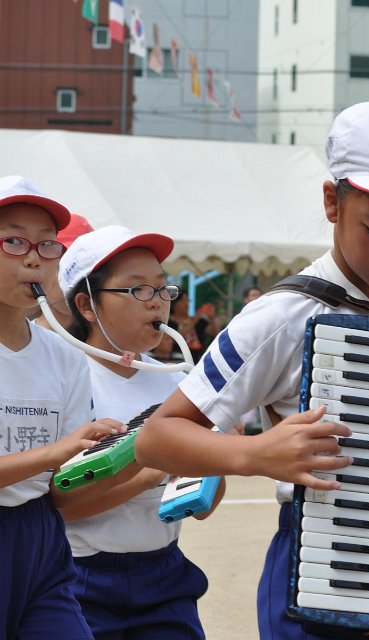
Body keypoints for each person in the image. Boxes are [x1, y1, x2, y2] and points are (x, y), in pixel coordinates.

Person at [134, 96, 369, 640]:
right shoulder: (281, 316)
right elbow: (157, 438)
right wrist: (254, 455)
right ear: (332, 203)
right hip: (320, 573)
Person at [57, 225, 222, 639]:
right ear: (87, 305)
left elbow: (202, 508)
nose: (157, 302)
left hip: (165, 572)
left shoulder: (176, 383)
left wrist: (216, 453)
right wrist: (148, 470)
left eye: (163, 288)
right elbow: (62, 507)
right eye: (138, 289)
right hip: (81, 577)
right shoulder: (67, 378)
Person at [0, 175, 125, 640]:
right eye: (14, 241)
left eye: (48, 244)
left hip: (41, 539)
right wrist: (57, 452)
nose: (34, 257)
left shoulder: (65, 357)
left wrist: (138, 451)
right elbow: (57, 455)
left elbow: (62, 483)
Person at [32, 212, 94, 332]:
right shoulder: (24, 341)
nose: (78, 280)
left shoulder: (123, 334)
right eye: (63, 267)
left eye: (89, 267)